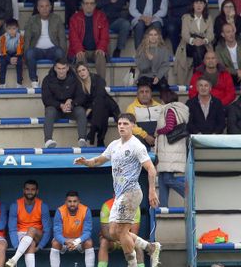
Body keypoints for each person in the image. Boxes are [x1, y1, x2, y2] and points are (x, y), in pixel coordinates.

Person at [74, 113, 162, 267]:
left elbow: (151, 169)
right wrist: (86, 162)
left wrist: (152, 191)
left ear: (133, 126)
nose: (121, 126)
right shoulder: (114, 145)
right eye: (120, 123)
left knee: (120, 232)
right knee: (114, 232)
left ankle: (133, 264)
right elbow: (99, 160)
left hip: (131, 193)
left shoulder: (137, 146)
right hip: (120, 195)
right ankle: (150, 247)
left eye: (125, 124)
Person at [42, 58, 88, 148]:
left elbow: (81, 96)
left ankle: (82, 139)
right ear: (55, 68)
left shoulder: (74, 79)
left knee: (81, 111)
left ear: (67, 68)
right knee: (49, 111)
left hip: (71, 109)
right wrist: (60, 105)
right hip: (55, 109)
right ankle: (48, 140)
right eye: (59, 69)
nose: (61, 71)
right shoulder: (47, 79)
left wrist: (72, 103)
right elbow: (46, 99)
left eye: (63, 68)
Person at [5, 180, 51, 267]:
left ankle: (14, 259)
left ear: (37, 191)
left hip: (37, 235)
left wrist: (40, 246)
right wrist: (16, 246)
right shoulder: (15, 205)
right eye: (27, 189)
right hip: (21, 235)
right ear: (23, 190)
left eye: (33, 189)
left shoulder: (42, 205)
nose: (30, 192)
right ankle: (16, 257)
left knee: (32, 229)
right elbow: (12, 229)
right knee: (30, 244)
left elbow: (47, 230)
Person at [24, 0, 66, 88]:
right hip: (37, 50)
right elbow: (27, 39)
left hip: (52, 49)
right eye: (42, 6)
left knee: (59, 52)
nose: (44, 8)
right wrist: (25, 55)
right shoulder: (32, 20)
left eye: (47, 6)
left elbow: (62, 39)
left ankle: (55, 78)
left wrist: (63, 55)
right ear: (38, 8)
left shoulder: (57, 19)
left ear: (51, 7)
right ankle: (34, 80)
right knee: (29, 53)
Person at [155, 97, 190, 207]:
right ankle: (163, 207)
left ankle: (189, 194)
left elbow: (169, 127)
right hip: (172, 149)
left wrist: (158, 131)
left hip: (170, 149)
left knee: (167, 179)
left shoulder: (170, 109)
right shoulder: (178, 109)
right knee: (162, 179)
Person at [174, 0, 214, 84]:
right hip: (189, 44)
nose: (199, 5)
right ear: (193, 5)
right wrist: (193, 41)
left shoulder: (208, 18)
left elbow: (211, 35)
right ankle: (201, 77)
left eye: (201, 3)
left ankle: (197, 75)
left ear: (204, 5)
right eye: (196, 3)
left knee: (198, 50)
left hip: (204, 45)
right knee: (197, 48)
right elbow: (184, 34)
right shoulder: (186, 17)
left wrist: (204, 41)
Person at [50, 191, 95, 267]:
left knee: (89, 243)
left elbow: (87, 232)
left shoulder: (85, 210)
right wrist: (66, 241)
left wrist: (76, 241)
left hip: (80, 241)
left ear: (79, 201)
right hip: (64, 241)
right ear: (66, 202)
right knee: (55, 243)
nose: (72, 204)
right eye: (69, 201)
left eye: (75, 201)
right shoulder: (60, 211)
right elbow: (57, 233)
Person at [68, 0, 109, 79]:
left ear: (95, 5)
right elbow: (73, 37)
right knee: (80, 56)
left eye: (91, 3)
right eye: (86, 3)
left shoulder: (102, 17)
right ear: (82, 5)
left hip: (96, 50)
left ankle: (101, 84)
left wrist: (101, 48)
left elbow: (104, 36)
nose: (89, 6)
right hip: (82, 50)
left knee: (101, 55)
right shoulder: (75, 18)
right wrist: (79, 49)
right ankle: (84, 85)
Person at [97, 197, 144, 267]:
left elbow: (134, 232)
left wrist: (124, 239)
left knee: (137, 244)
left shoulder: (135, 206)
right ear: (114, 195)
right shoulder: (107, 205)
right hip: (112, 240)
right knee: (104, 242)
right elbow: (105, 232)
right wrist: (117, 239)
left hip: (127, 238)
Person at [135, 26, 171, 103]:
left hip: (159, 76)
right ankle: (144, 106)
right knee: (144, 87)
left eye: (155, 34)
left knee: (164, 86)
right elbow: (141, 68)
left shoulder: (164, 49)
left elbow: (165, 65)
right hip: (145, 75)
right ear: (147, 36)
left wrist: (158, 76)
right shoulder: (141, 49)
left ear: (159, 36)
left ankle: (166, 107)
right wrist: (149, 60)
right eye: (151, 35)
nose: (153, 37)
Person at [126, 81, 163, 150]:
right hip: (142, 139)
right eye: (141, 92)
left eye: (147, 91)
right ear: (137, 94)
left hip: (158, 138)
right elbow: (131, 126)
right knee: (135, 138)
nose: (144, 94)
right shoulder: (131, 108)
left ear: (151, 93)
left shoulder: (160, 106)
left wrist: (158, 135)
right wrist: (146, 136)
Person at [0, 18, 24, 88]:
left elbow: (20, 49)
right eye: (9, 29)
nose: (12, 31)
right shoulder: (3, 37)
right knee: (3, 62)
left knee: (19, 62)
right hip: (6, 54)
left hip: (17, 54)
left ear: (17, 29)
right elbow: (2, 51)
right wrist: (9, 59)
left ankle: (19, 83)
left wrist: (16, 57)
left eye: (14, 28)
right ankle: (2, 83)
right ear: (6, 29)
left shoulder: (20, 37)